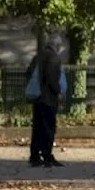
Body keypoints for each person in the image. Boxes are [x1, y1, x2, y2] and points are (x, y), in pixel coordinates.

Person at [27, 33, 66, 168]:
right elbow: (52, 78)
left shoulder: (38, 56)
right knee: (49, 127)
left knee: (37, 127)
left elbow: (29, 72)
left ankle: (34, 156)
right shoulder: (54, 58)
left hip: (37, 97)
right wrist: (58, 91)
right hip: (49, 98)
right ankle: (47, 155)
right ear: (57, 46)